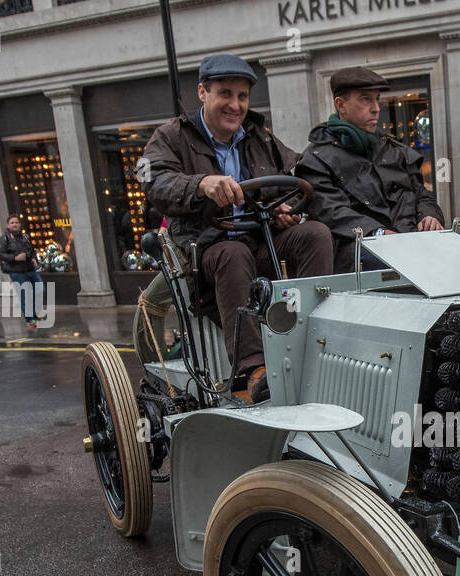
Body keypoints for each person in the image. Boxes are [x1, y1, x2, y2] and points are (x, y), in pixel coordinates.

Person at [142, 53, 333, 403]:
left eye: (242, 97)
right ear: (203, 92)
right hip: (206, 251)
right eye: (225, 94)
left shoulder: (259, 136)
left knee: (315, 234)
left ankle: (315, 341)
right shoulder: (170, 136)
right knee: (233, 253)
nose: (235, 105)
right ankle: (252, 370)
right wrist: (200, 184)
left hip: (259, 241)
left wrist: (285, 209)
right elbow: (151, 181)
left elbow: (295, 176)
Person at [296, 67, 445, 273]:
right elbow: (332, 212)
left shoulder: (395, 150)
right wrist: (380, 234)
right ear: (341, 105)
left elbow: (422, 195)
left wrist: (430, 217)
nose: (376, 108)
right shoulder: (316, 160)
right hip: (360, 257)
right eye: (365, 99)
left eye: (377, 99)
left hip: (413, 243)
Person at [0, 215, 45, 326]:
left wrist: (34, 258)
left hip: (30, 269)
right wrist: (15, 258)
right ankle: (30, 319)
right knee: (25, 295)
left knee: (40, 290)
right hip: (16, 271)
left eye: (16, 222)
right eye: (12, 222)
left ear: (19, 224)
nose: (15, 224)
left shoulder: (25, 237)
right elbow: (0, 254)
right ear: (8, 225)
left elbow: (32, 250)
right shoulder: (5, 238)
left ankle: (35, 313)